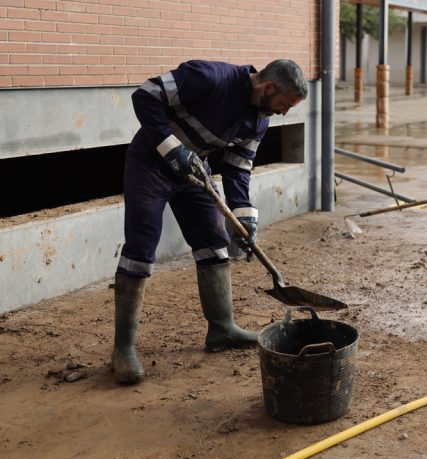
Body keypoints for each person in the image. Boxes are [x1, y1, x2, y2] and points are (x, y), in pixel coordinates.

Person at [112, 59, 307, 385]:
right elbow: (144, 96)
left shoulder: (259, 120)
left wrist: (245, 217)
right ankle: (123, 350)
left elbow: (238, 167)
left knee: (214, 242)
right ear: (269, 87)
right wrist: (171, 148)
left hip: (194, 171)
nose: (284, 113)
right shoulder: (209, 78)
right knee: (142, 244)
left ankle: (221, 329)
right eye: (284, 105)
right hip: (150, 163)